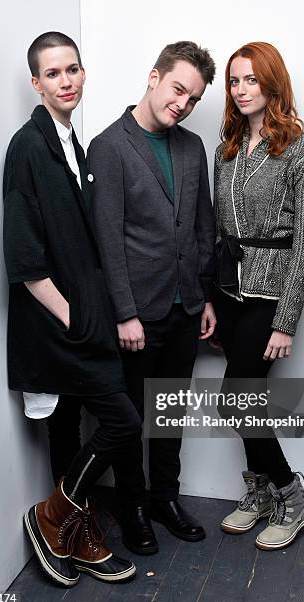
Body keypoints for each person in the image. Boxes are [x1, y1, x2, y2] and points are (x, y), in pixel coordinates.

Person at [3, 31, 139, 586]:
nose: (67, 81)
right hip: (57, 325)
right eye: (54, 74)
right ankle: (55, 518)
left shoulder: (70, 142)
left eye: (73, 70)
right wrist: (74, 318)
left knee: (70, 431)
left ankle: (70, 530)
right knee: (121, 420)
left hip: (82, 319)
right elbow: (25, 257)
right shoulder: (28, 146)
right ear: (36, 83)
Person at [87, 41, 217, 555]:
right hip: (138, 314)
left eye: (193, 98)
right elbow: (108, 240)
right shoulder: (109, 145)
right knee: (132, 420)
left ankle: (166, 499)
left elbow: (203, 226)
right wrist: (125, 313)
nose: (182, 104)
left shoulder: (191, 147)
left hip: (185, 309)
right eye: (178, 89)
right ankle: (133, 505)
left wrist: (203, 296)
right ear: (153, 77)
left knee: (169, 415)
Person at [213, 42, 304, 550]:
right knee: (245, 399)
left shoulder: (301, 150)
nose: (240, 90)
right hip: (230, 288)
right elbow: (217, 230)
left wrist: (287, 320)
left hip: (271, 293)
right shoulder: (226, 150)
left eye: (251, 80)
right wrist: (210, 298)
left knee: (235, 400)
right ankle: (258, 493)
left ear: (272, 83)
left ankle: (292, 496)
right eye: (234, 81)